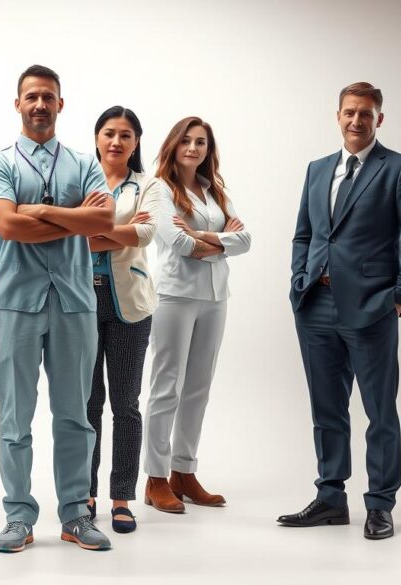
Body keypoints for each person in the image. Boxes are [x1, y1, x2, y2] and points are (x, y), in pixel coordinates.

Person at [278, 82, 401, 540]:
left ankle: (381, 504)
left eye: (365, 113)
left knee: (379, 411)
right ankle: (330, 497)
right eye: (349, 112)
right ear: (338, 115)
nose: (356, 120)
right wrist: (298, 284)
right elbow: (305, 235)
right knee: (327, 410)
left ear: (378, 119)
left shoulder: (400, 169)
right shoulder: (318, 169)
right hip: (315, 305)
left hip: (371, 309)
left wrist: (400, 295)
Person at [0, 65, 116, 553]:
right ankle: (18, 516)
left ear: (62, 104)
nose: (40, 104)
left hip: (74, 301)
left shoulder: (84, 162)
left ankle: (76, 514)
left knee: (75, 416)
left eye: (49, 97)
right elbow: (8, 228)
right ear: (17, 103)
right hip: (15, 301)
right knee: (15, 419)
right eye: (31, 96)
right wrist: (71, 219)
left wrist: (37, 211)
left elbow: (103, 217)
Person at [143, 116, 251, 514]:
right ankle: (155, 477)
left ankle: (183, 473)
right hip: (175, 295)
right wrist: (221, 240)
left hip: (214, 296)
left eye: (201, 142)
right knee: (166, 386)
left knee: (199, 388)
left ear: (209, 149)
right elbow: (178, 244)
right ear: (173, 145)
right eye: (186, 140)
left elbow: (246, 240)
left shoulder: (213, 190)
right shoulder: (158, 189)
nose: (193, 148)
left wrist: (205, 237)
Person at [84, 107, 159, 533]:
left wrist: (95, 231)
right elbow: (65, 233)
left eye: (125, 135)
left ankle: (122, 497)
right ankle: (86, 491)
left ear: (135, 142)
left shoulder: (149, 184)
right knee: (88, 404)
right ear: (97, 138)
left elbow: (145, 235)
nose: (116, 142)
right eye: (109, 133)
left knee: (125, 405)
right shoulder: (79, 178)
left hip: (129, 302)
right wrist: (122, 228)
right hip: (80, 300)